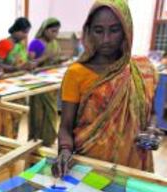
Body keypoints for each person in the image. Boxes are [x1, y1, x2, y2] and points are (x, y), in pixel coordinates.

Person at [54, 0, 158, 177]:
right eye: (98, 31)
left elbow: (152, 114)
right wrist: (64, 150)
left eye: (115, 30)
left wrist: (152, 130)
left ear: (126, 31)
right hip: (89, 165)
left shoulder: (142, 69)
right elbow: (66, 127)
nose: (106, 39)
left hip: (131, 165)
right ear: (88, 32)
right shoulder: (76, 73)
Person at [27, 18, 62, 147]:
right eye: (53, 31)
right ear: (45, 30)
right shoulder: (36, 43)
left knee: (51, 113)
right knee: (38, 114)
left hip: (51, 83)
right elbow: (31, 64)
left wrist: (59, 60)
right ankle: (36, 141)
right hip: (38, 83)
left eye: (57, 32)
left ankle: (48, 141)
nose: (55, 35)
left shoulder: (55, 43)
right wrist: (45, 58)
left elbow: (55, 59)